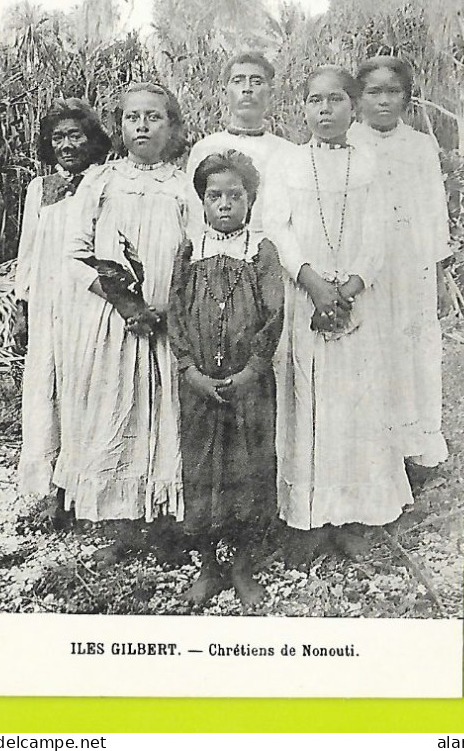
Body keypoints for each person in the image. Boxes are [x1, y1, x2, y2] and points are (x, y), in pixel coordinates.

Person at [263, 66, 413, 559]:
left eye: (335, 101)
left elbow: (379, 237)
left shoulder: (369, 163)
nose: (324, 111)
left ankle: (352, 517)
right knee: (305, 402)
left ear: (353, 107)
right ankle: (307, 519)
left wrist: (347, 288)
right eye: (314, 101)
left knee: (355, 404)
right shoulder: (287, 164)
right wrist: (312, 282)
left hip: (355, 301)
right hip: (303, 296)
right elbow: (278, 229)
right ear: (302, 107)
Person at [53, 82, 189, 549]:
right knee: (116, 407)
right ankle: (120, 520)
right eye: (134, 118)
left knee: (165, 410)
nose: (144, 126)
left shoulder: (183, 184)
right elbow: (74, 255)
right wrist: (128, 304)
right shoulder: (101, 182)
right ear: (120, 126)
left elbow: (196, 251)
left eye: (154, 116)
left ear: (171, 126)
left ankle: (164, 517)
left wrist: (168, 307)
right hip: (115, 321)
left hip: (168, 322)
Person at [169, 150, 284, 607]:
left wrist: (253, 369)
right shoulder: (190, 250)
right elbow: (176, 314)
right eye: (213, 196)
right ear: (201, 201)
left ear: (250, 200)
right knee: (200, 468)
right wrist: (189, 369)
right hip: (199, 385)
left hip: (249, 387)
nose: (223, 205)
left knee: (248, 469)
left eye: (234, 196)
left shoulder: (261, 250)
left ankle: (242, 565)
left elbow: (274, 314)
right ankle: (208, 566)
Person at [349, 55, 451, 472]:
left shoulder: (420, 146)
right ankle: (373, 448)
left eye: (393, 92)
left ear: (407, 98)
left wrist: (440, 274)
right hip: (365, 267)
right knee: (371, 348)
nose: (384, 101)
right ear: (358, 99)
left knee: (412, 348)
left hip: (411, 264)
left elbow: (434, 212)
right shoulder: (349, 143)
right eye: (374, 92)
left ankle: (416, 445)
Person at [14, 98, 111, 519]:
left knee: (86, 391)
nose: (67, 145)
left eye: (76, 135)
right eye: (58, 137)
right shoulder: (40, 189)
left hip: (88, 304)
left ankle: (87, 488)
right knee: (46, 389)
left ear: (92, 140)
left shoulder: (106, 183)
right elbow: (29, 252)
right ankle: (54, 493)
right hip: (48, 307)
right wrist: (22, 304)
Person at [186, 52, 291, 238]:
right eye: (238, 81)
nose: (247, 89)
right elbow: (195, 219)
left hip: (272, 257)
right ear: (224, 91)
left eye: (257, 81)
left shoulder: (287, 152)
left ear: (270, 92)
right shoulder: (204, 149)